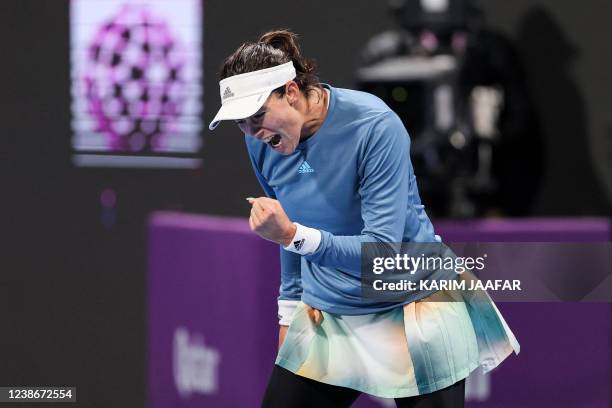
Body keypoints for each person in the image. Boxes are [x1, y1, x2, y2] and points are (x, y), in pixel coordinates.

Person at [209, 29, 519, 408]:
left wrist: (293, 235)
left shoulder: (374, 126)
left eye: (257, 115)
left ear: (290, 91)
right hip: (330, 317)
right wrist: (288, 314)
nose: (253, 132)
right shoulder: (262, 141)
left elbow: (381, 252)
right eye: (241, 122)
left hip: (416, 306)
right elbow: (286, 235)